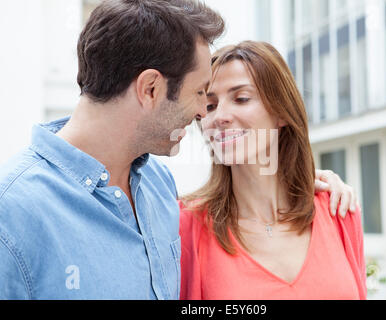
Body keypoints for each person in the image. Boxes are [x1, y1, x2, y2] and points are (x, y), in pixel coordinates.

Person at [0, 0, 355, 299]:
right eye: (202, 95)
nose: (204, 114)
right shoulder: (12, 213)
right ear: (151, 89)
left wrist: (309, 183)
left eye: (241, 98)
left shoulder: (157, 187)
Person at [180, 41, 367, 300]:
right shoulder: (187, 226)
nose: (219, 116)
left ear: (281, 113)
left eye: (241, 98)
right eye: (210, 106)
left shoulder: (338, 209)